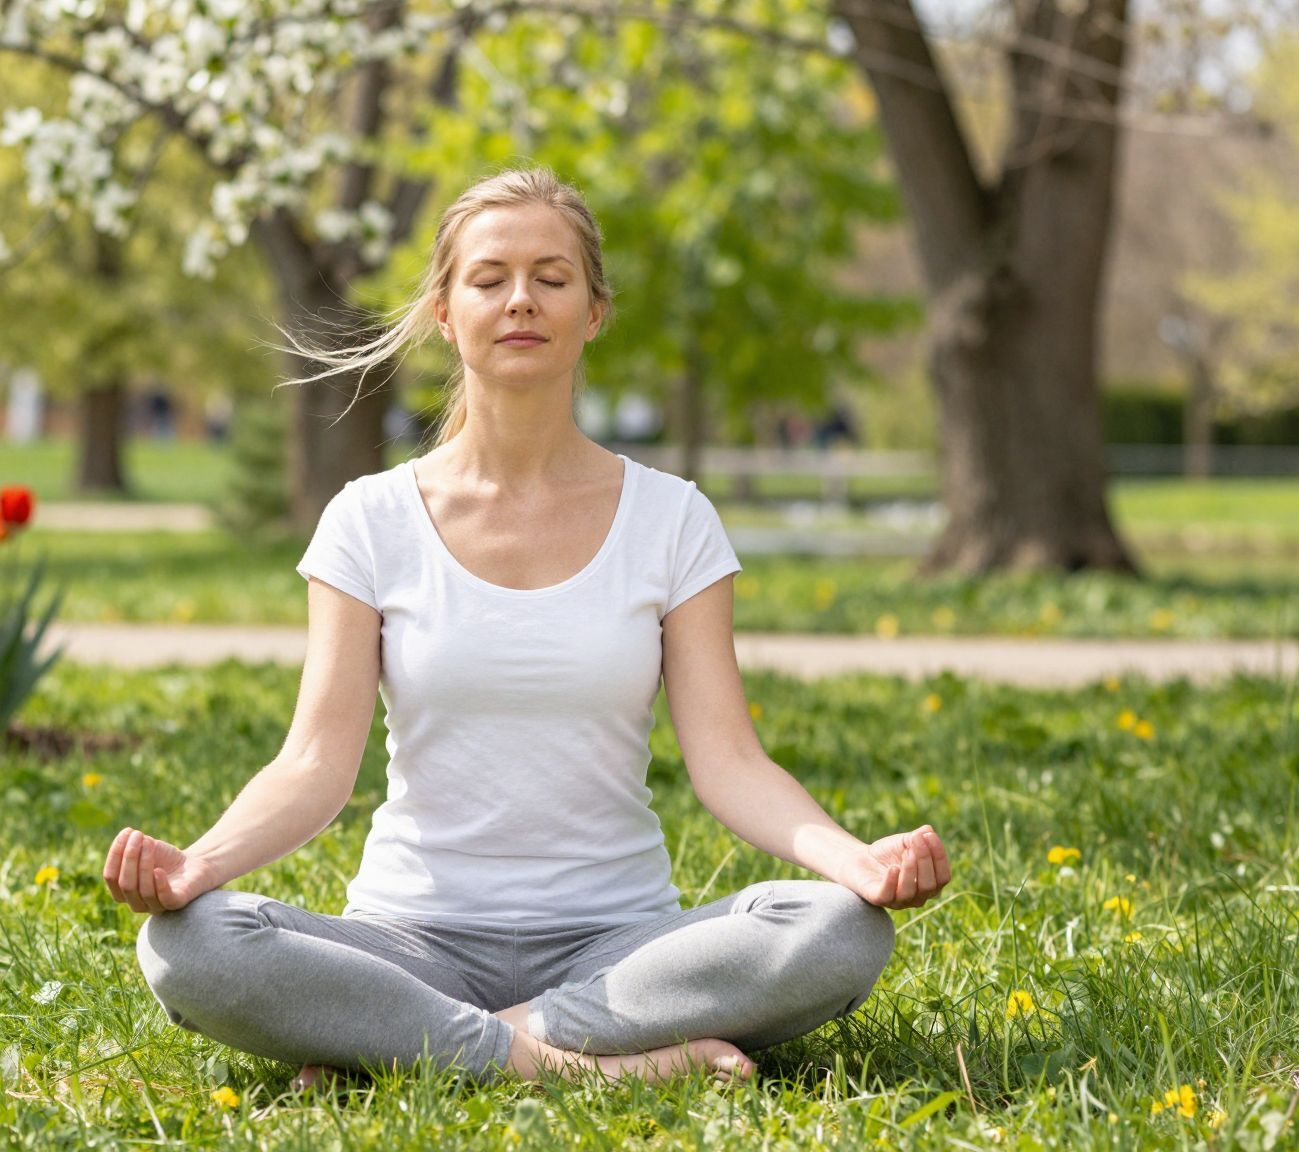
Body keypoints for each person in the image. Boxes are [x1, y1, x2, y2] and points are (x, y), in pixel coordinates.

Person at [110, 167, 951, 1090]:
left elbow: (730, 762)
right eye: (489, 278)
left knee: (837, 932)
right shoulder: (369, 519)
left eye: (552, 278)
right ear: (444, 310)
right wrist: (199, 864)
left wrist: (854, 859)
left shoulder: (673, 520)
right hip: (408, 940)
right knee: (189, 945)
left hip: (619, 950)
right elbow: (314, 765)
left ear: (594, 312)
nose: (521, 300)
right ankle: (582, 1066)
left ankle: (404, 1048)